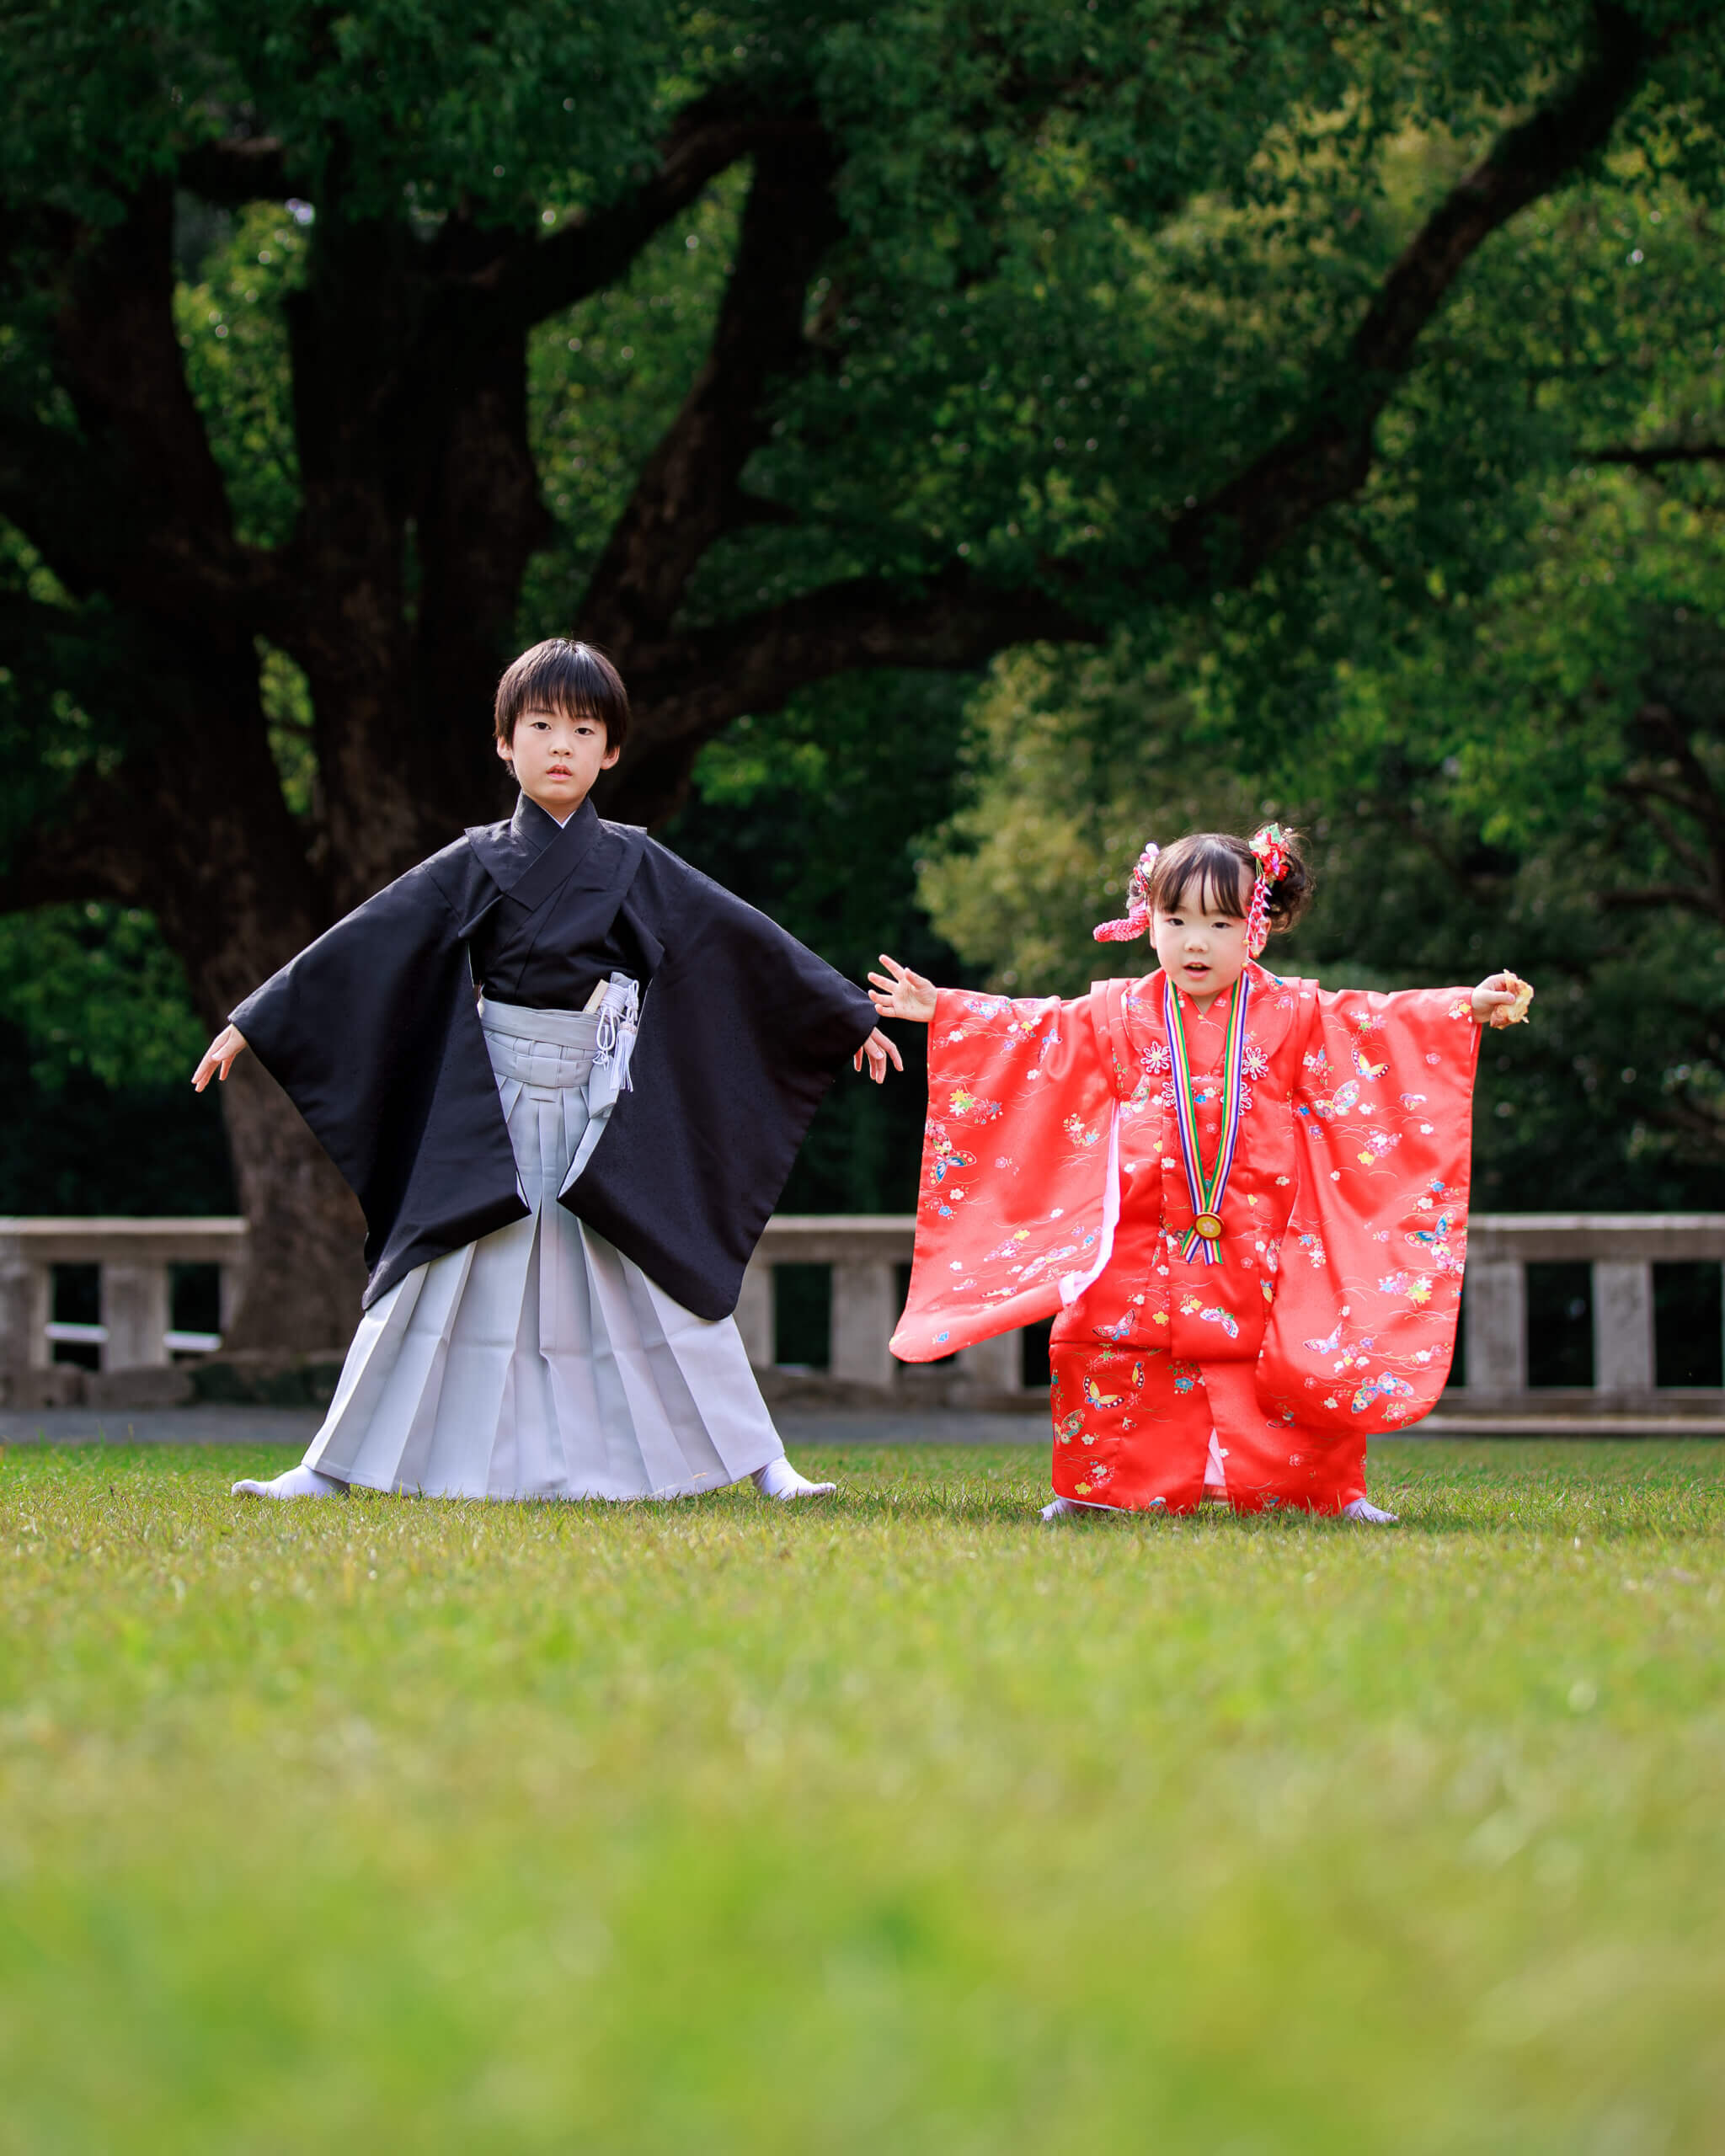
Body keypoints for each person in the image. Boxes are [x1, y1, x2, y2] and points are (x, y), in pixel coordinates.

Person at [194, 638, 900, 1502]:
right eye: (538, 725)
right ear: (504, 742)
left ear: (609, 750)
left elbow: (738, 940)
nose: (559, 745)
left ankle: (764, 1463)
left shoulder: (633, 862)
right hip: (491, 1106)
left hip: (602, 1107)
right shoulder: (475, 860)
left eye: (582, 728)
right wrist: (256, 1021)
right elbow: (369, 939)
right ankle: (328, 1468)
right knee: (427, 1279)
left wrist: (841, 1016)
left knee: (659, 1271)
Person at [870, 825, 1532, 1523]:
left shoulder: (1300, 1011)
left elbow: (1378, 1023)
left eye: (1221, 923)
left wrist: (1463, 1007)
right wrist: (949, 1009)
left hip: (1260, 1232)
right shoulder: (1114, 1012)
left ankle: (1320, 1492)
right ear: (1144, 921)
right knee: (1110, 1343)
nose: (1195, 942)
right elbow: (1037, 1032)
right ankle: (1100, 1489)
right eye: (1175, 920)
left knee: (1289, 1352)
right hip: (1141, 1229)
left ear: (1258, 928)